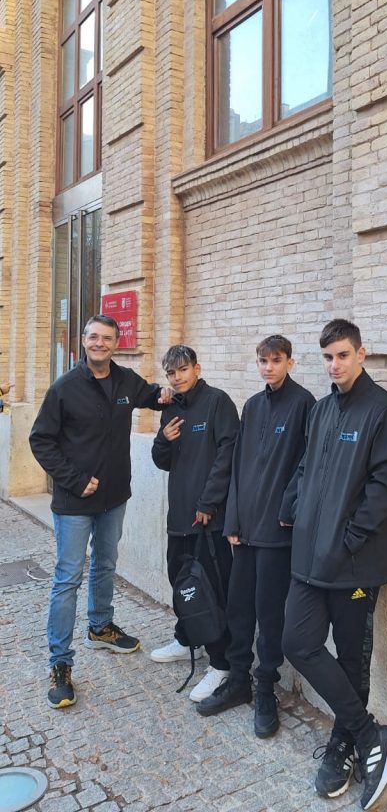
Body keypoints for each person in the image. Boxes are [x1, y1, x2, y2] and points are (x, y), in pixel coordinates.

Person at [281, 319, 387, 811]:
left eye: (342, 355)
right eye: (328, 357)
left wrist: (349, 539)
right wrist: (293, 507)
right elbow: (306, 466)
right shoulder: (321, 409)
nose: (334, 365)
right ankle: (370, 733)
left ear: (361, 354)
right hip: (308, 559)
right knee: (298, 642)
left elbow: (385, 485)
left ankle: (343, 744)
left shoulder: (383, 410)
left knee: (353, 657)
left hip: (354, 564)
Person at [29, 314, 173, 710]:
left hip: (114, 497)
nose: (99, 343)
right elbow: (41, 441)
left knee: (106, 565)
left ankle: (100, 626)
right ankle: (60, 663)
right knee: (68, 578)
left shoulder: (126, 381)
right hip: (74, 502)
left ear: (116, 343)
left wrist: (176, 390)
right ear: (84, 340)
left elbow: (154, 395)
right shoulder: (64, 388)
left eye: (107, 338)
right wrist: (74, 480)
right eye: (93, 337)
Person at [196, 334, 315, 738]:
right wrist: (232, 520)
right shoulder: (251, 405)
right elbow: (239, 466)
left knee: (270, 613)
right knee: (239, 607)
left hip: (277, 534)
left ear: (290, 363)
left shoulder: (304, 405)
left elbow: (305, 467)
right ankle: (239, 681)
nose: (268, 367)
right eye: (263, 361)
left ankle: (266, 688)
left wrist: (288, 513)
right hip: (244, 531)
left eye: (276, 360)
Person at [150, 344, 240, 701]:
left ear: (197, 369)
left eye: (183, 370)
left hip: (208, 519)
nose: (177, 377)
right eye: (171, 373)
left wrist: (209, 502)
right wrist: (163, 439)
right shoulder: (170, 408)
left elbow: (228, 456)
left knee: (212, 590)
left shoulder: (218, 402)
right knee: (181, 581)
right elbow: (162, 461)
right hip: (179, 516)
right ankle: (187, 637)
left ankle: (221, 663)